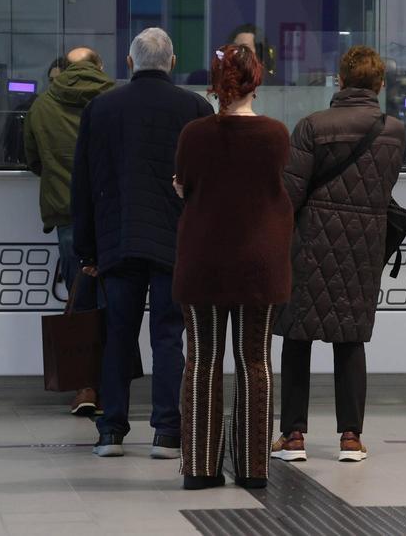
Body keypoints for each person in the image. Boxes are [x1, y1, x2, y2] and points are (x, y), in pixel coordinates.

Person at [71, 28, 214, 459]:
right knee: (169, 336)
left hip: (117, 240)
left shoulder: (101, 108)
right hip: (174, 242)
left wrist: (87, 250)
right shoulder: (195, 108)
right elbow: (206, 185)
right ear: (172, 63)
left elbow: (82, 183)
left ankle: (111, 430)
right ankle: (167, 433)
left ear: (130, 64)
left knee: (117, 334)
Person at [271, 46, 406, 463]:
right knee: (350, 339)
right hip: (365, 246)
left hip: (310, 243)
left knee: (298, 336)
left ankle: (293, 436)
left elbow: (290, 193)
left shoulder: (312, 126)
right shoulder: (395, 131)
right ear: (380, 85)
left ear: (340, 80)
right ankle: (351, 437)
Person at [172, 44, 293, 490]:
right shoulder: (276, 135)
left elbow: (184, 187)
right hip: (258, 265)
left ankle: (201, 468)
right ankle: (253, 467)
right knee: (255, 361)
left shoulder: (194, 134)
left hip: (203, 261)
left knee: (202, 360)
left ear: (216, 83)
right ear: (255, 81)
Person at [23, 47, 114, 417]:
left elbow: (32, 160)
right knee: (114, 301)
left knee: (80, 299)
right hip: (112, 214)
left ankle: (85, 386)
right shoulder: (117, 101)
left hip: (68, 214)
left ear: (63, 69)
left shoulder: (41, 106)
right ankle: (113, 387)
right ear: (100, 67)